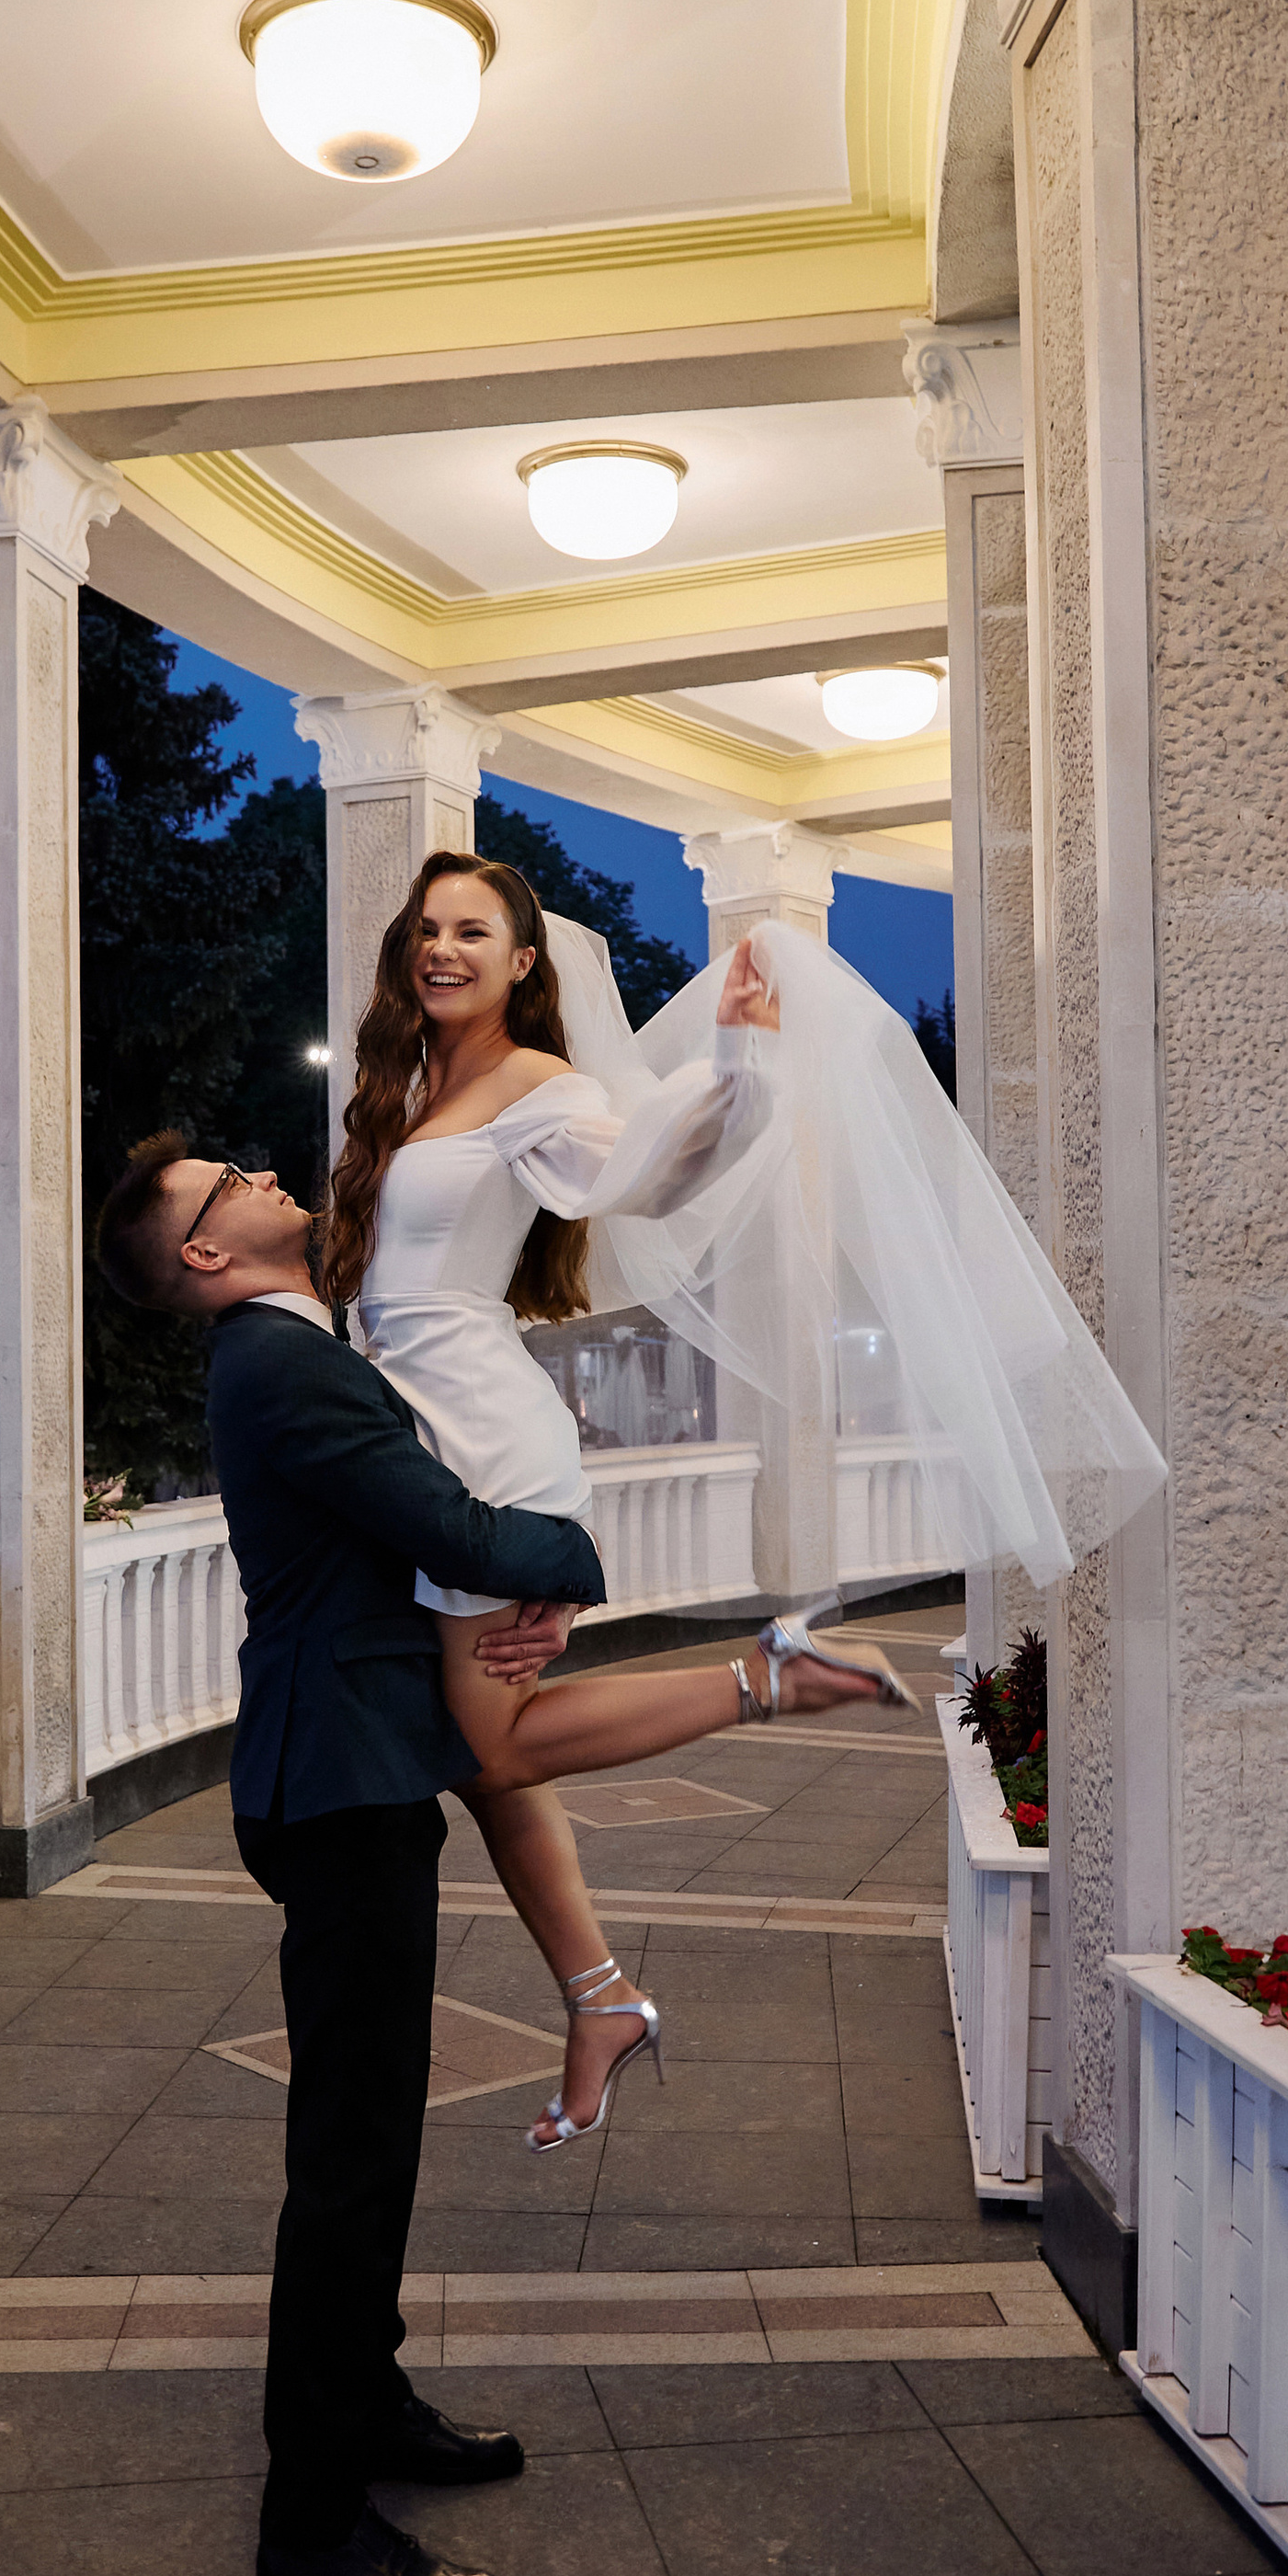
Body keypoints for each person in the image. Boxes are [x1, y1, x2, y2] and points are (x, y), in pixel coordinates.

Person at [319, 855, 908, 2151]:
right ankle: (600, 2001)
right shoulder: (415, 1088)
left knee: (491, 1749)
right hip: (424, 1441)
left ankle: (766, 1678)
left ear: (524, 962)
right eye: (427, 928)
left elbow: (649, 1176)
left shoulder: (537, 1083)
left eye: (474, 931)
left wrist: (742, 1063)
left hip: (481, 1449)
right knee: (482, 1763)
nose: (443, 948)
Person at [92, 1148, 604, 2576]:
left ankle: (366, 2406)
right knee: (349, 2161)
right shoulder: (280, 1364)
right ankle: (310, 2530)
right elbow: (445, 1525)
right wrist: (576, 1553)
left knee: (371, 2133)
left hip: (348, 1768)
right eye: (228, 1182)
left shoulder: (294, 1351)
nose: (265, 1172)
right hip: (338, 1782)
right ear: (204, 1255)